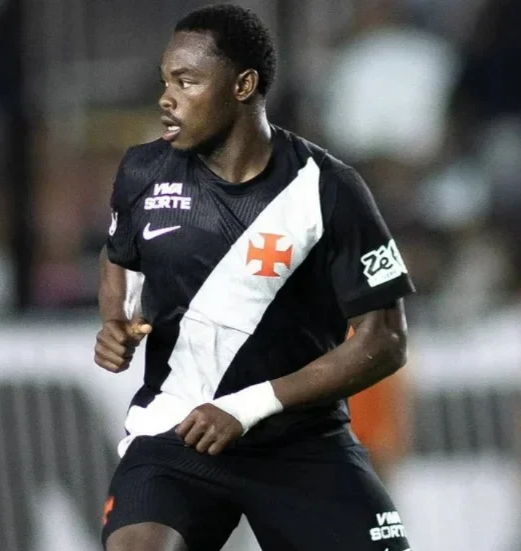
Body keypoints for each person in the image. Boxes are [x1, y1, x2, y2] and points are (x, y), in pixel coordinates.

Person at [93, 5, 415, 550]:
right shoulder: (143, 170)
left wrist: (245, 408)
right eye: (165, 81)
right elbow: (117, 253)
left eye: (187, 82)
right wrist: (115, 318)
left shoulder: (326, 189)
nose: (166, 98)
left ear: (243, 85)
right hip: (178, 431)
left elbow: (385, 341)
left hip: (301, 443)